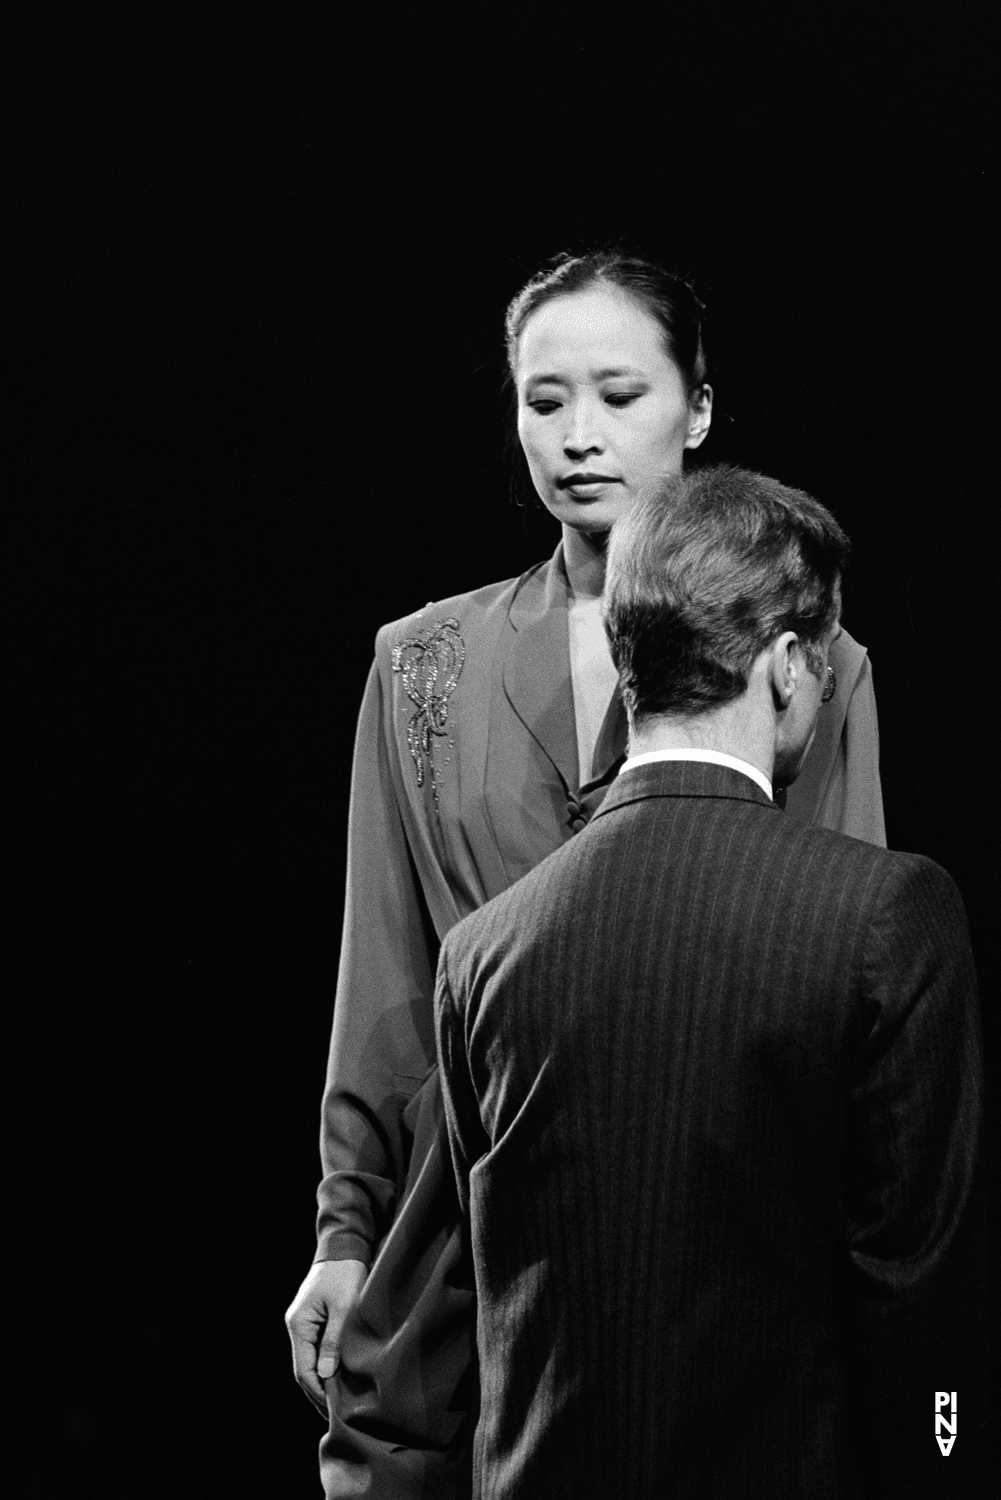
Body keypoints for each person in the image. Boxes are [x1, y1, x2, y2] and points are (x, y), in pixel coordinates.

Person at [285, 252, 886, 1497]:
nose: (576, 437)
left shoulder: (807, 660)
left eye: (618, 394)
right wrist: (346, 1228)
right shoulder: (422, 663)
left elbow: (849, 947)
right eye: (542, 400)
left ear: (699, 410)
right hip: (465, 1219)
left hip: (711, 1210)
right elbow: (387, 974)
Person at [434, 466, 982, 1499]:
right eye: (819, 665)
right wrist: (948, 1465)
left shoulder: (480, 953)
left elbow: (497, 1300)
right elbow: (920, 1304)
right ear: (784, 664)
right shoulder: (886, 915)